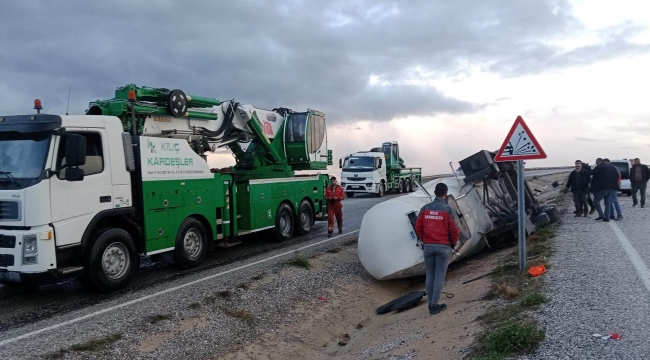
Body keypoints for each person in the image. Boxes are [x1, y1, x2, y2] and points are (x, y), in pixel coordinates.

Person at [414, 183, 460, 315]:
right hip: (443, 246)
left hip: (428, 246)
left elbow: (418, 227)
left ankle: (430, 303)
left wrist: (424, 239)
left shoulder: (425, 208)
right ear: (446, 194)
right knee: (439, 276)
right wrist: (452, 243)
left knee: (429, 275)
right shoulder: (448, 209)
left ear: (435, 192)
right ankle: (434, 306)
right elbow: (455, 229)